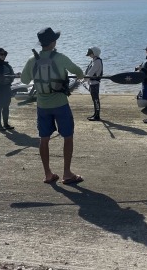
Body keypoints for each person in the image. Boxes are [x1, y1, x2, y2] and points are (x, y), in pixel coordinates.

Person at [20, 27, 85, 185]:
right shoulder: (60, 57)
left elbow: (24, 80)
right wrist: (78, 77)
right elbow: (79, 72)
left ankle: (48, 174)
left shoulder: (32, 60)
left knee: (44, 138)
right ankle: (67, 173)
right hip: (61, 104)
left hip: (42, 105)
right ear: (53, 42)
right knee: (67, 137)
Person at [0, 47, 16, 132]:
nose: (3, 56)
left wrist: (14, 76)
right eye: (1, 54)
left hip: (6, 88)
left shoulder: (7, 65)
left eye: (4, 54)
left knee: (6, 107)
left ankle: (6, 124)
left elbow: (12, 75)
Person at [85, 47, 103, 121]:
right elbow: (88, 72)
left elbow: (90, 73)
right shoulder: (93, 61)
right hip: (92, 83)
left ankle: (97, 116)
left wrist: (84, 79)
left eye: (90, 54)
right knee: (94, 99)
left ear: (95, 53)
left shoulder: (97, 62)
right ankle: (95, 114)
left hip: (95, 83)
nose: (89, 55)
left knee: (95, 99)